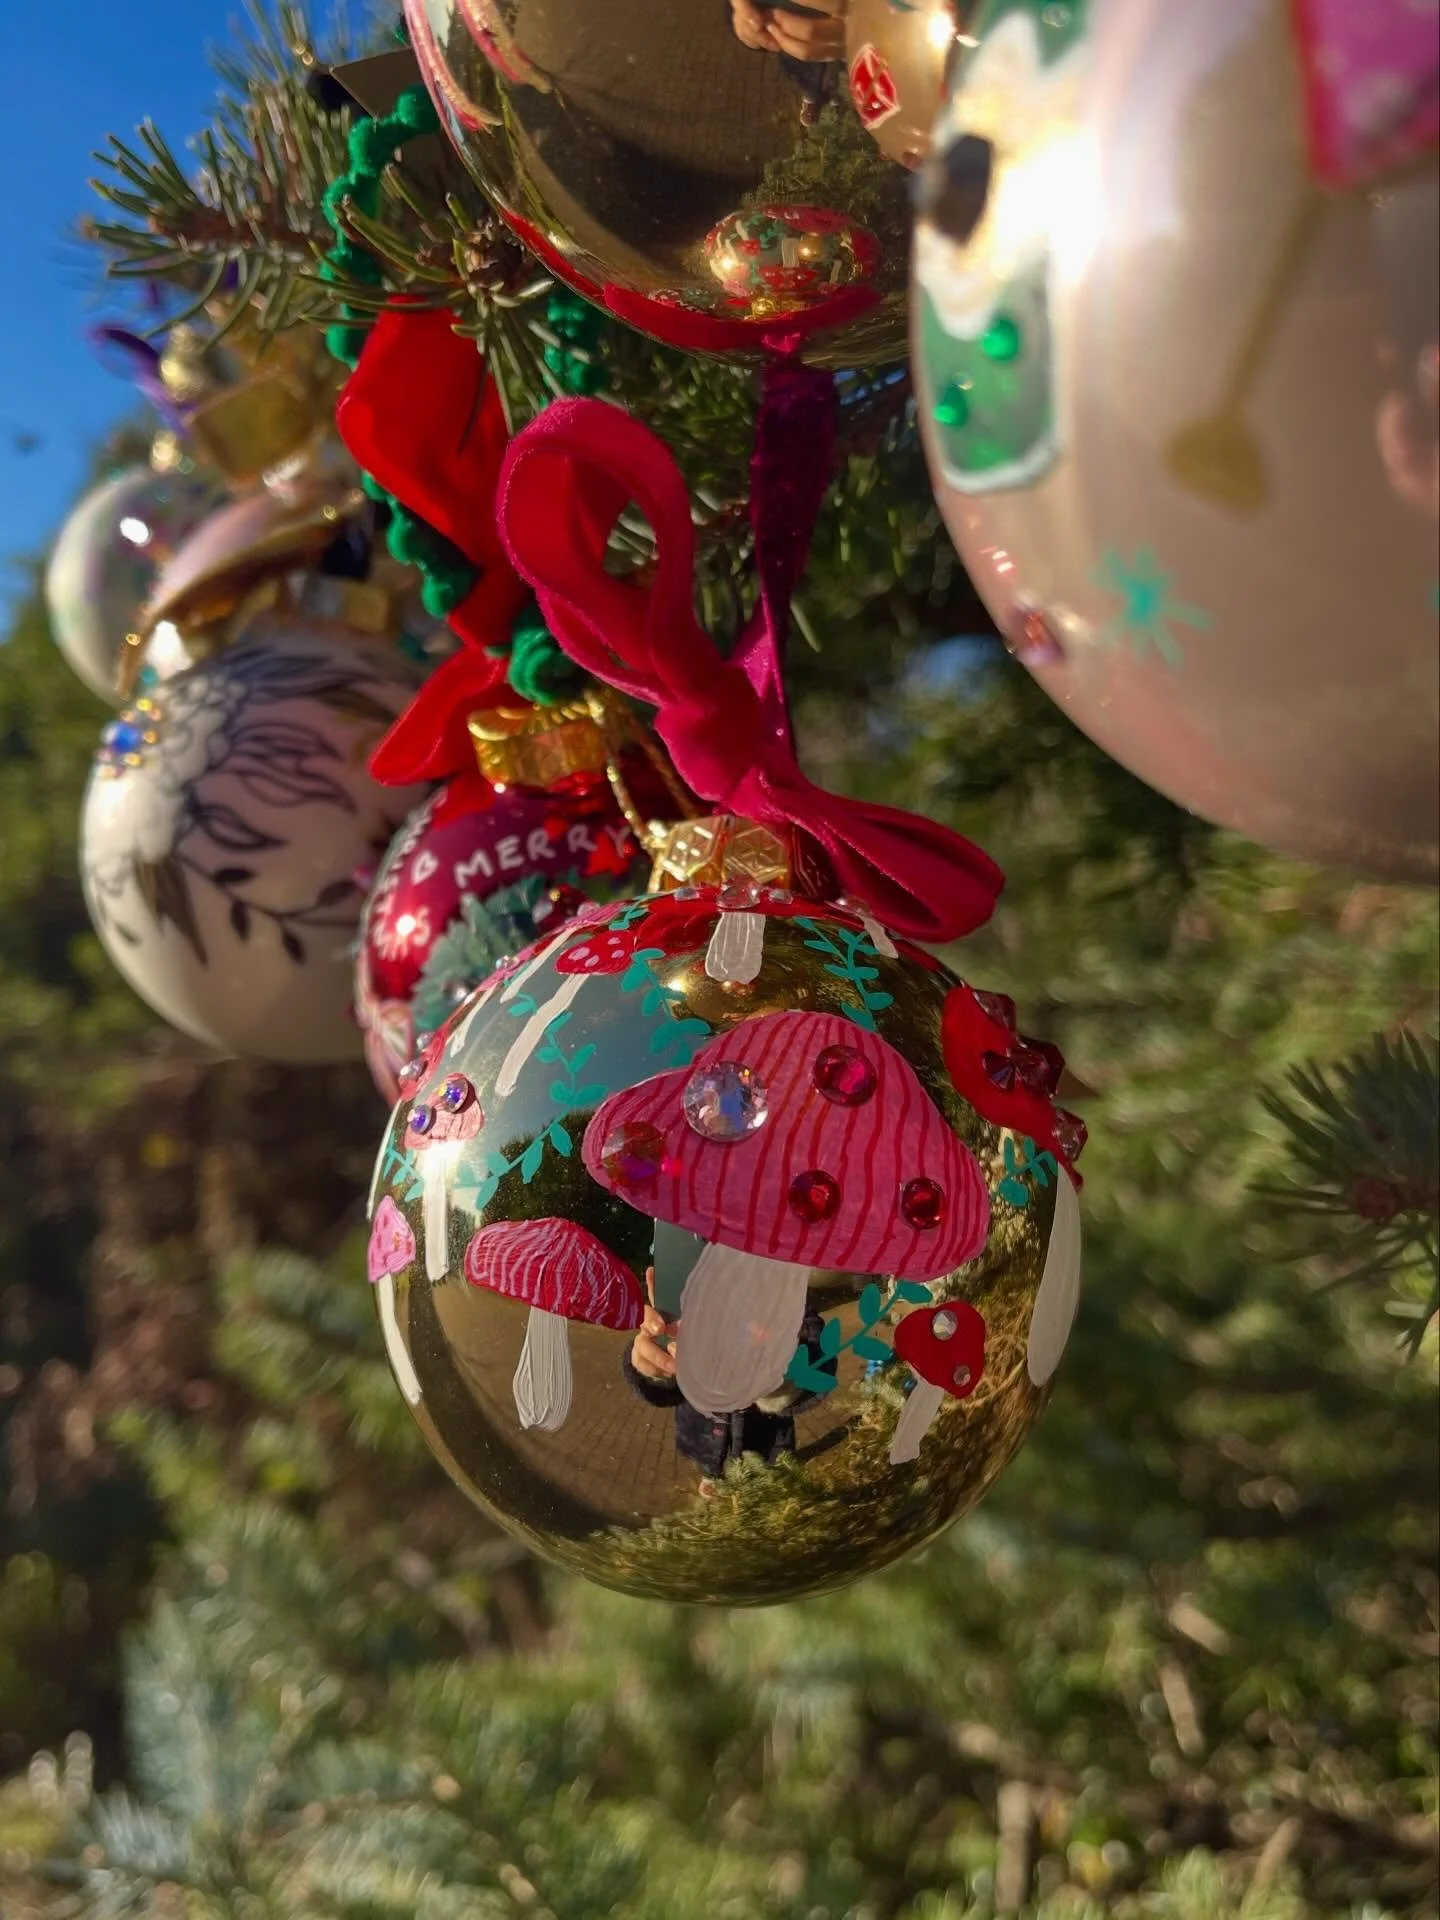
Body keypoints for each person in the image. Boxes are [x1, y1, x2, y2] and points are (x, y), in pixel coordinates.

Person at [623, 1268, 837, 1494]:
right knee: (711, 1477)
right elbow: (670, 1387)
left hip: (765, 1445)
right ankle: (711, 1474)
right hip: (703, 1439)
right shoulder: (690, 1289)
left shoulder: (785, 1292)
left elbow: (821, 1359)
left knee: (765, 1495)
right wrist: (656, 1365)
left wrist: (774, 1372)